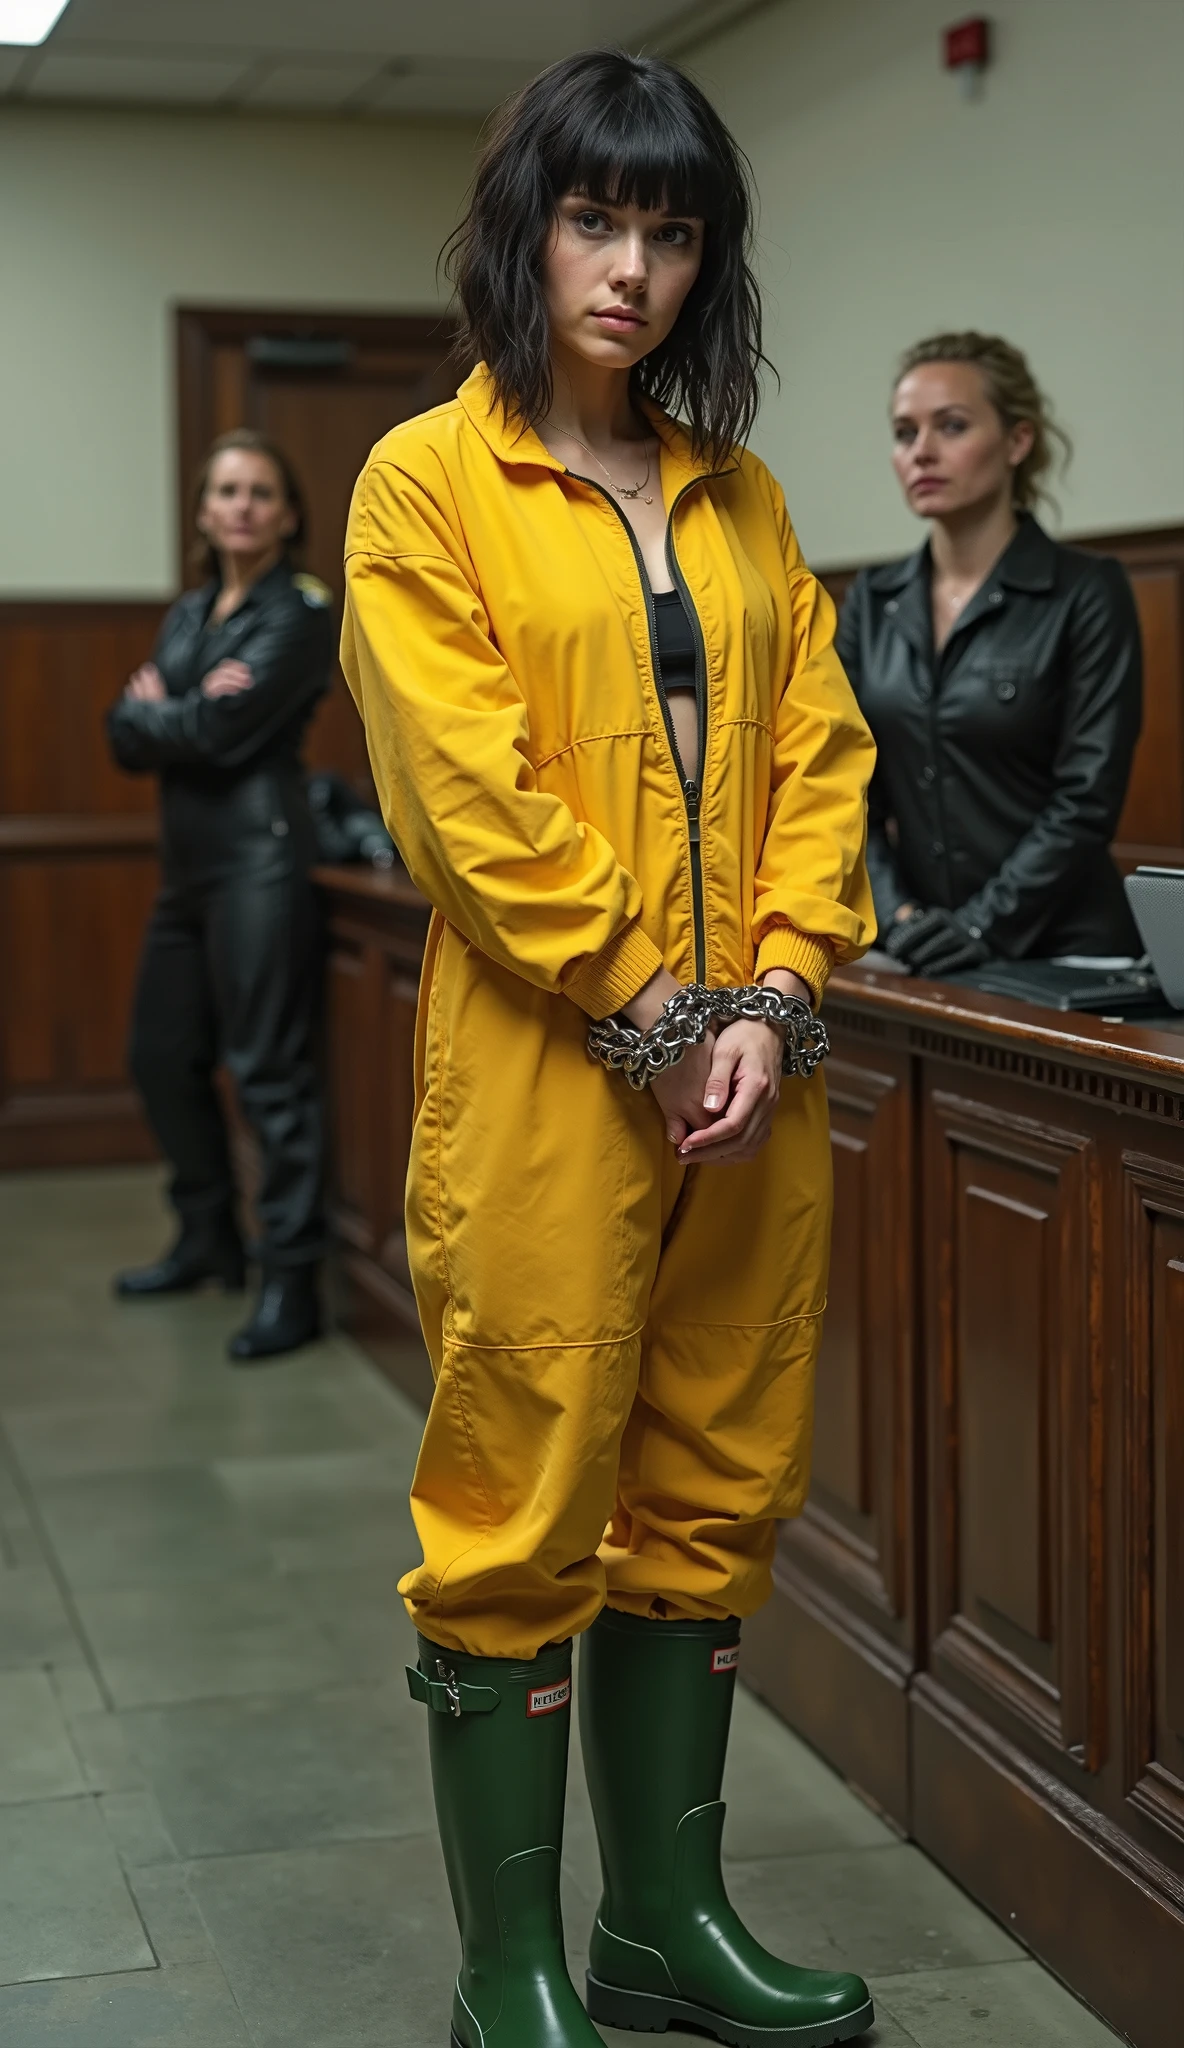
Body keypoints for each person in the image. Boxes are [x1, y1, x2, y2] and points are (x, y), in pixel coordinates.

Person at [341, 48, 877, 2048]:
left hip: (753, 1090)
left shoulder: (741, 499)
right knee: (518, 1500)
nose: (630, 268)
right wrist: (651, 1009)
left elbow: (820, 757)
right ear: (525, 230)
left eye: (670, 231)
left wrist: (783, 992)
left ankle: (665, 1919)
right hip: (556, 1077)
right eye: (595, 220)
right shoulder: (426, 481)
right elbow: (466, 794)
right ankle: (515, 1974)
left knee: (710, 1484)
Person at [107, 429, 332, 1362]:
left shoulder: (304, 609)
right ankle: (208, 1238)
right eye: (227, 492)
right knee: (159, 1056)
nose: (242, 506)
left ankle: (291, 1279)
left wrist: (168, 708)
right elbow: (124, 734)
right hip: (188, 872)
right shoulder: (194, 612)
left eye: (260, 493)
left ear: (285, 515)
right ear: (203, 512)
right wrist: (171, 712)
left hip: (261, 862)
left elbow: (229, 731)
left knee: (269, 1074)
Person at [838, 331, 1143, 978]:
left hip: (1066, 952)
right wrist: (897, 917)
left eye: (950, 426)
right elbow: (845, 785)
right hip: (918, 949)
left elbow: (1086, 797)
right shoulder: (873, 598)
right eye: (903, 432)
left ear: (1018, 441)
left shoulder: (1086, 591)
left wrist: (983, 922)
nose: (921, 451)